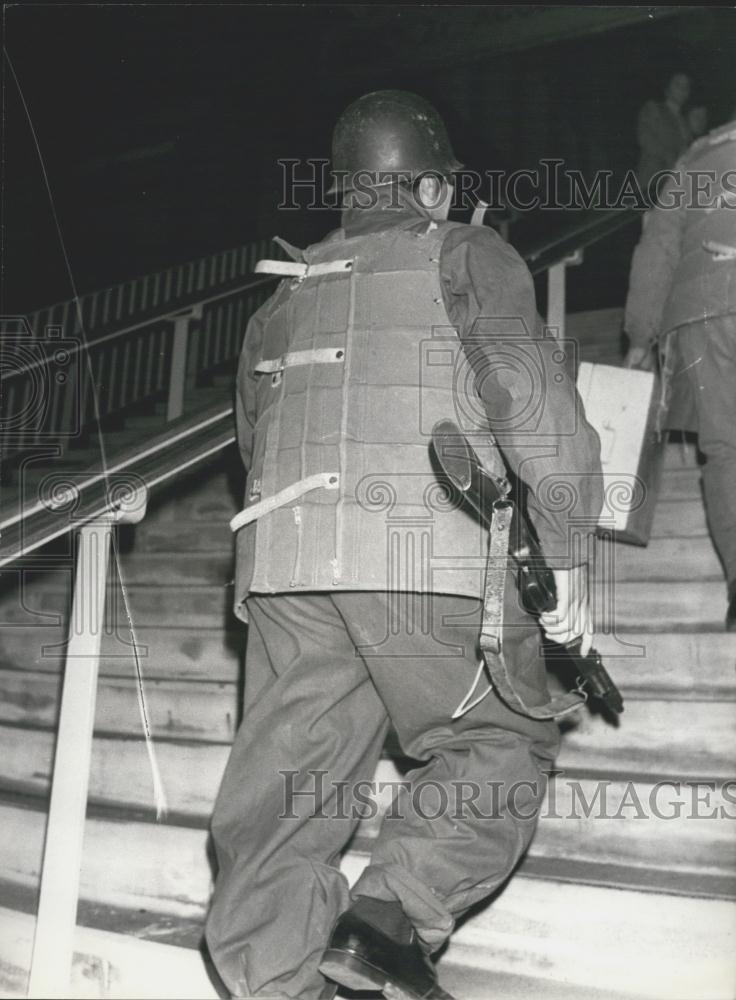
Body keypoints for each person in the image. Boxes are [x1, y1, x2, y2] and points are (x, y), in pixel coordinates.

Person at [205, 90, 603, 1000]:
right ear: (429, 189)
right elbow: (530, 396)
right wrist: (571, 542)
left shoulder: (282, 293)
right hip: (424, 547)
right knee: (498, 744)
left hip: (286, 563)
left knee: (283, 797)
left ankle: (280, 981)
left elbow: (252, 433)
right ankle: (387, 921)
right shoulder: (467, 251)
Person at [624, 115, 736, 631]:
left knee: (725, 448)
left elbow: (657, 251)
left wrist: (640, 337)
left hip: (704, 311)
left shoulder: (693, 159)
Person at [636, 73, 692, 195]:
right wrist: (670, 157)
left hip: (676, 186)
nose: (683, 89)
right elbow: (645, 139)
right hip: (653, 182)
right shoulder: (654, 109)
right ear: (667, 88)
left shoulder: (685, 121)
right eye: (678, 84)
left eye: (686, 86)